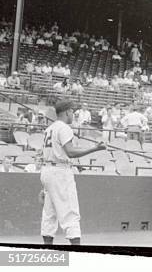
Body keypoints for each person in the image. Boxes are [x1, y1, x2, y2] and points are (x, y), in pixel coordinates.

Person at [40, 100, 106, 245]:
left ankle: (47, 249)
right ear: (66, 112)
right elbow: (70, 152)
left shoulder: (49, 128)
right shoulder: (64, 127)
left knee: (49, 214)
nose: (73, 114)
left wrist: (45, 186)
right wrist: (95, 148)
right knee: (70, 213)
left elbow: (46, 153)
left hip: (47, 170)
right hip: (60, 171)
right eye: (72, 112)